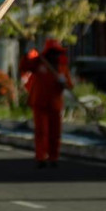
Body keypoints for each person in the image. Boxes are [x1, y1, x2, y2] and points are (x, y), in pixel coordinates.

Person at [20, 39, 74, 168]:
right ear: (48, 53)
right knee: (41, 131)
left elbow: (69, 85)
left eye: (57, 52)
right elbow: (24, 66)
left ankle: (53, 157)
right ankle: (41, 157)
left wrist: (63, 83)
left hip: (55, 104)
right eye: (53, 52)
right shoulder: (39, 63)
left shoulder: (62, 68)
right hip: (40, 103)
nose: (55, 55)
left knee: (55, 133)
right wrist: (27, 53)